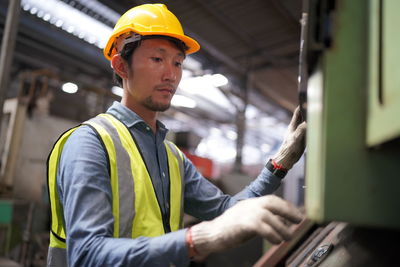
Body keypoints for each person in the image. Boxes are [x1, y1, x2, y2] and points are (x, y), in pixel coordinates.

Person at [47, 3, 306, 267]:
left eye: (178, 63)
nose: (171, 75)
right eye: (157, 59)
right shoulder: (90, 144)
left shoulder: (171, 157)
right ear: (122, 66)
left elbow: (227, 211)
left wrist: (279, 164)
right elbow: (86, 254)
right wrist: (196, 239)